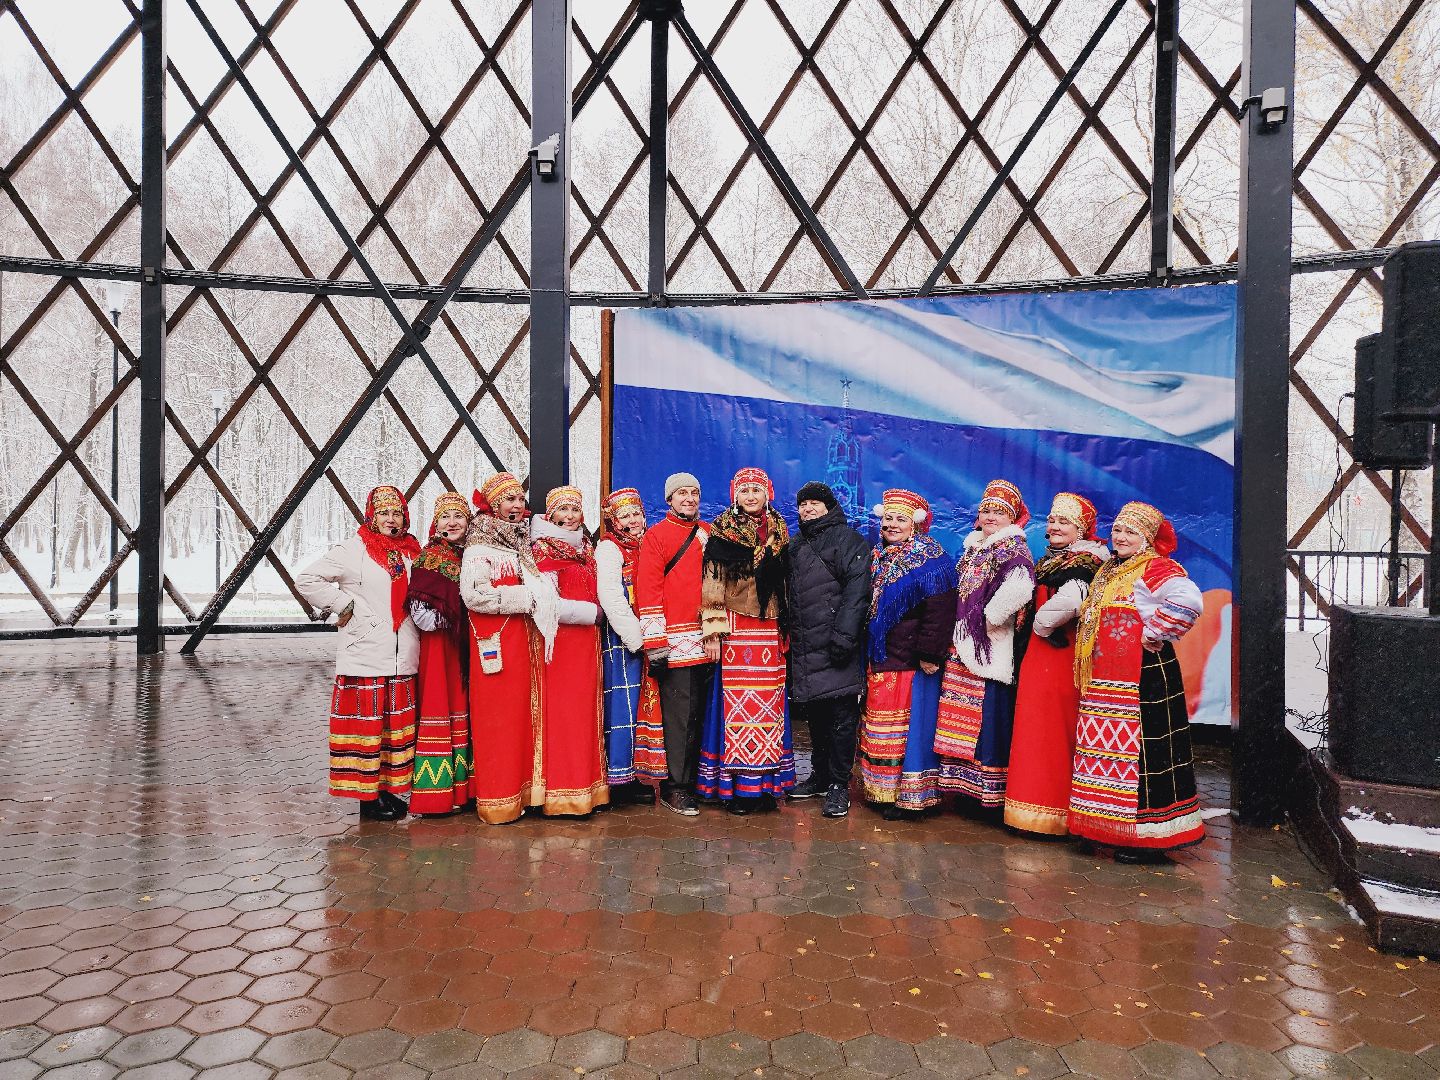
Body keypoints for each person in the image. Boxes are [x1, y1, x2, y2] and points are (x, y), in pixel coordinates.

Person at [1070, 501, 1206, 862]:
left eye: (1131, 532)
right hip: (1104, 677)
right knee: (1103, 750)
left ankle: (1147, 839)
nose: (1121, 537)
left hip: (1141, 676)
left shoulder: (1156, 567)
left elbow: (1189, 600)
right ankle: (1100, 826)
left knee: (1144, 754)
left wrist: (1155, 631)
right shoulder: (1111, 568)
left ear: (1147, 538)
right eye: (1117, 530)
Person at [297, 485, 421, 822]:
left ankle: (387, 792)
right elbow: (307, 579)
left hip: (403, 652)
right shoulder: (354, 549)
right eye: (383, 513)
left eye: (396, 513)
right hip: (366, 652)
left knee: (394, 730)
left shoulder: (412, 552)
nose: (390, 519)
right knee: (367, 731)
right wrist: (344, 604)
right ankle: (367, 799)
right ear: (371, 515)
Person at [1003, 493, 1107, 836]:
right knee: (1035, 725)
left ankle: (1052, 812)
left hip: (1059, 655)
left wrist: (1039, 624)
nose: (1055, 527)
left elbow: (1072, 601)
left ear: (1081, 530)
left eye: (1064, 522)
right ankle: (1031, 809)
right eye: (1052, 521)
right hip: (1041, 655)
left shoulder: (1083, 563)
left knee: (1050, 729)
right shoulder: (1053, 561)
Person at [460, 471, 560, 825]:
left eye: (520, 499)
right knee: (498, 722)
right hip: (496, 645)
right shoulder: (479, 548)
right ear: (494, 506)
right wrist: (526, 598)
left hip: (524, 646)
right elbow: (475, 596)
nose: (517, 506)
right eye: (509, 500)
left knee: (522, 719)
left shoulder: (520, 545)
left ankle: (525, 792)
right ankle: (497, 799)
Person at [697, 467, 795, 814]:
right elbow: (712, 585)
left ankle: (766, 785)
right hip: (737, 628)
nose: (750, 496)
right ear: (734, 496)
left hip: (770, 631)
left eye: (756, 490)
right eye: (744, 491)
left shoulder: (781, 532)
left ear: (767, 492)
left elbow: (785, 587)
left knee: (769, 706)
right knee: (738, 707)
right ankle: (738, 789)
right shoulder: (723, 533)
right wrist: (713, 632)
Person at [935, 479, 1036, 812]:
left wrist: (986, 620)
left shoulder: (1013, 549)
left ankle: (987, 796)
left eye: (999, 512)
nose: (991, 516)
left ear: (1012, 518)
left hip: (987, 645)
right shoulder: (975, 546)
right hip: (963, 645)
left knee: (986, 721)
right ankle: (964, 791)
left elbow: (1020, 588)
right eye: (987, 510)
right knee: (962, 720)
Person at [858, 488, 958, 821]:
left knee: (906, 729)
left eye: (901, 519)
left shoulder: (932, 560)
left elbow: (941, 611)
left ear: (915, 524)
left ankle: (908, 798)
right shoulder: (877, 555)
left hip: (910, 660)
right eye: (888, 518)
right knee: (881, 725)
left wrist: (930, 653)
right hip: (883, 656)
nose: (892, 525)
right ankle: (881, 791)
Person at [785, 481, 871, 819]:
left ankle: (838, 784)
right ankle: (819, 775)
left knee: (841, 718)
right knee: (816, 716)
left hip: (837, 645)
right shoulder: (795, 544)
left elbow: (857, 592)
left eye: (814, 504)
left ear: (829, 507)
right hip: (807, 647)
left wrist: (845, 637)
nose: (807, 509)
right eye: (803, 505)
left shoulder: (848, 541)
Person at [529, 486, 609, 817]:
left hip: (586, 647)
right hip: (559, 645)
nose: (570, 516)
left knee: (586, 714)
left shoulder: (587, 549)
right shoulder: (542, 551)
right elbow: (547, 605)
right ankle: (560, 792)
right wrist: (593, 614)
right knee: (562, 716)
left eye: (575, 510)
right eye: (563, 510)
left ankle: (587, 789)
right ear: (551, 515)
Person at [637, 473, 712, 816]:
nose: (689, 498)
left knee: (701, 714)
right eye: (682, 493)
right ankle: (676, 787)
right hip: (675, 642)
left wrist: (716, 632)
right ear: (669, 499)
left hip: (708, 640)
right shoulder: (655, 537)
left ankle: (697, 781)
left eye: (694, 493)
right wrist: (656, 643)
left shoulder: (709, 534)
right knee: (679, 718)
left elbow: (719, 586)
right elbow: (648, 590)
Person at [595, 488, 667, 805]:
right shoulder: (609, 550)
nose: (633, 520)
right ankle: (619, 780)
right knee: (623, 708)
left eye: (636, 513)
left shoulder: (648, 544)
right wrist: (637, 639)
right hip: (623, 641)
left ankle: (637, 773)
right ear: (613, 521)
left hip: (647, 638)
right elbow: (612, 600)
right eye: (625, 516)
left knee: (643, 708)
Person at [405, 491, 474, 816]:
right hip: (439, 651)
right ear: (436, 523)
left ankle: (465, 790)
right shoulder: (429, 559)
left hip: (464, 649)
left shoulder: (472, 556)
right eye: (446, 517)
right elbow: (422, 616)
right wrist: (458, 614)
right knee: (441, 708)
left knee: (466, 711)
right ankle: (436, 795)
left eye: (458, 516)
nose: (452, 522)